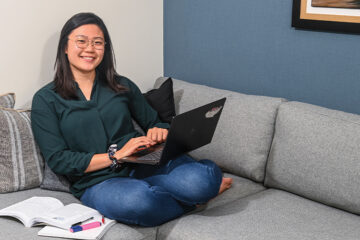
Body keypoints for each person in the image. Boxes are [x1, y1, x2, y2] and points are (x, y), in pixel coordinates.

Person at [31, 12, 232, 227]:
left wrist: (159, 130)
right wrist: (116, 156)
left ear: (105, 48)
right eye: (81, 41)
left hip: (145, 162)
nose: (89, 48)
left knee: (201, 181)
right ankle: (194, 200)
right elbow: (60, 160)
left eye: (97, 42)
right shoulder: (45, 99)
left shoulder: (122, 85)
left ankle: (196, 191)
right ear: (65, 46)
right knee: (138, 202)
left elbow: (155, 122)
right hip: (98, 182)